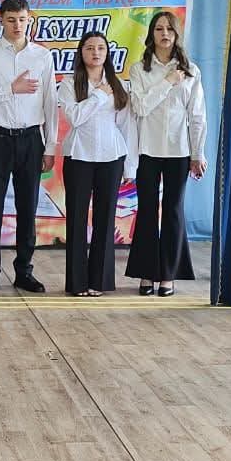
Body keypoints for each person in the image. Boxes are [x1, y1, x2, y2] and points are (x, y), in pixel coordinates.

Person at [0, 0, 57, 293]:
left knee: (27, 208)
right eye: (11, 20)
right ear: (1, 20)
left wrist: (51, 146)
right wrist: (10, 89)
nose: (17, 25)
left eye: (22, 19)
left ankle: (24, 271)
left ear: (29, 19)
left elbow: (50, 102)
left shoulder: (42, 56)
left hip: (31, 139)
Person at [125, 10, 208, 296]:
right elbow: (140, 107)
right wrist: (168, 82)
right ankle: (146, 274)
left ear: (176, 34)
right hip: (147, 150)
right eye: (159, 29)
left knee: (173, 211)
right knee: (147, 211)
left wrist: (197, 153)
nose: (164, 34)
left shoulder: (191, 70)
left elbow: (197, 115)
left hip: (178, 151)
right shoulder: (139, 69)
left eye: (169, 29)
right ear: (151, 34)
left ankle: (168, 276)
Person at [57, 31, 132, 296]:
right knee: (76, 220)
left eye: (101, 48)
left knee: (105, 219)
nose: (96, 52)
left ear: (107, 53)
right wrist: (98, 95)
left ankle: (98, 282)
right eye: (89, 48)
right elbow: (75, 117)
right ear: (81, 52)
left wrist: (129, 166)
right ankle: (77, 283)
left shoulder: (118, 84)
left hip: (112, 157)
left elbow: (126, 125)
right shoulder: (69, 84)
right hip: (79, 156)